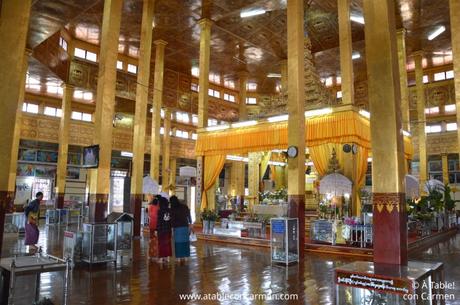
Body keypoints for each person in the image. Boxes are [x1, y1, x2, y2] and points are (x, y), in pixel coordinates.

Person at [170, 195, 192, 261]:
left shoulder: (173, 209)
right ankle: (186, 257)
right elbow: (189, 215)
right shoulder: (184, 206)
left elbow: (172, 220)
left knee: (178, 243)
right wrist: (190, 223)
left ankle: (179, 258)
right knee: (185, 242)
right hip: (185, 227)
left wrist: (171, 230)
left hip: (177, 228)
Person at [156, 195, 172, 263]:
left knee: (161, 244)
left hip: (161, 230)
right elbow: (171, 220)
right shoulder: (170, 210)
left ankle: (161, 259)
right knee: (167, 244)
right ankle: (167, 258)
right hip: (168, 229)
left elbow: (159, 221)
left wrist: (156, 230)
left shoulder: (160, 211)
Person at [148, 194, 160, 261]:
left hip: (152, 223)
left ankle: (151, 251)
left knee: (151, 236)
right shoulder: (158, 206)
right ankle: (156, 249)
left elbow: (149, 214)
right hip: (157, 224)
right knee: (156, 237)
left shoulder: (151, 206)